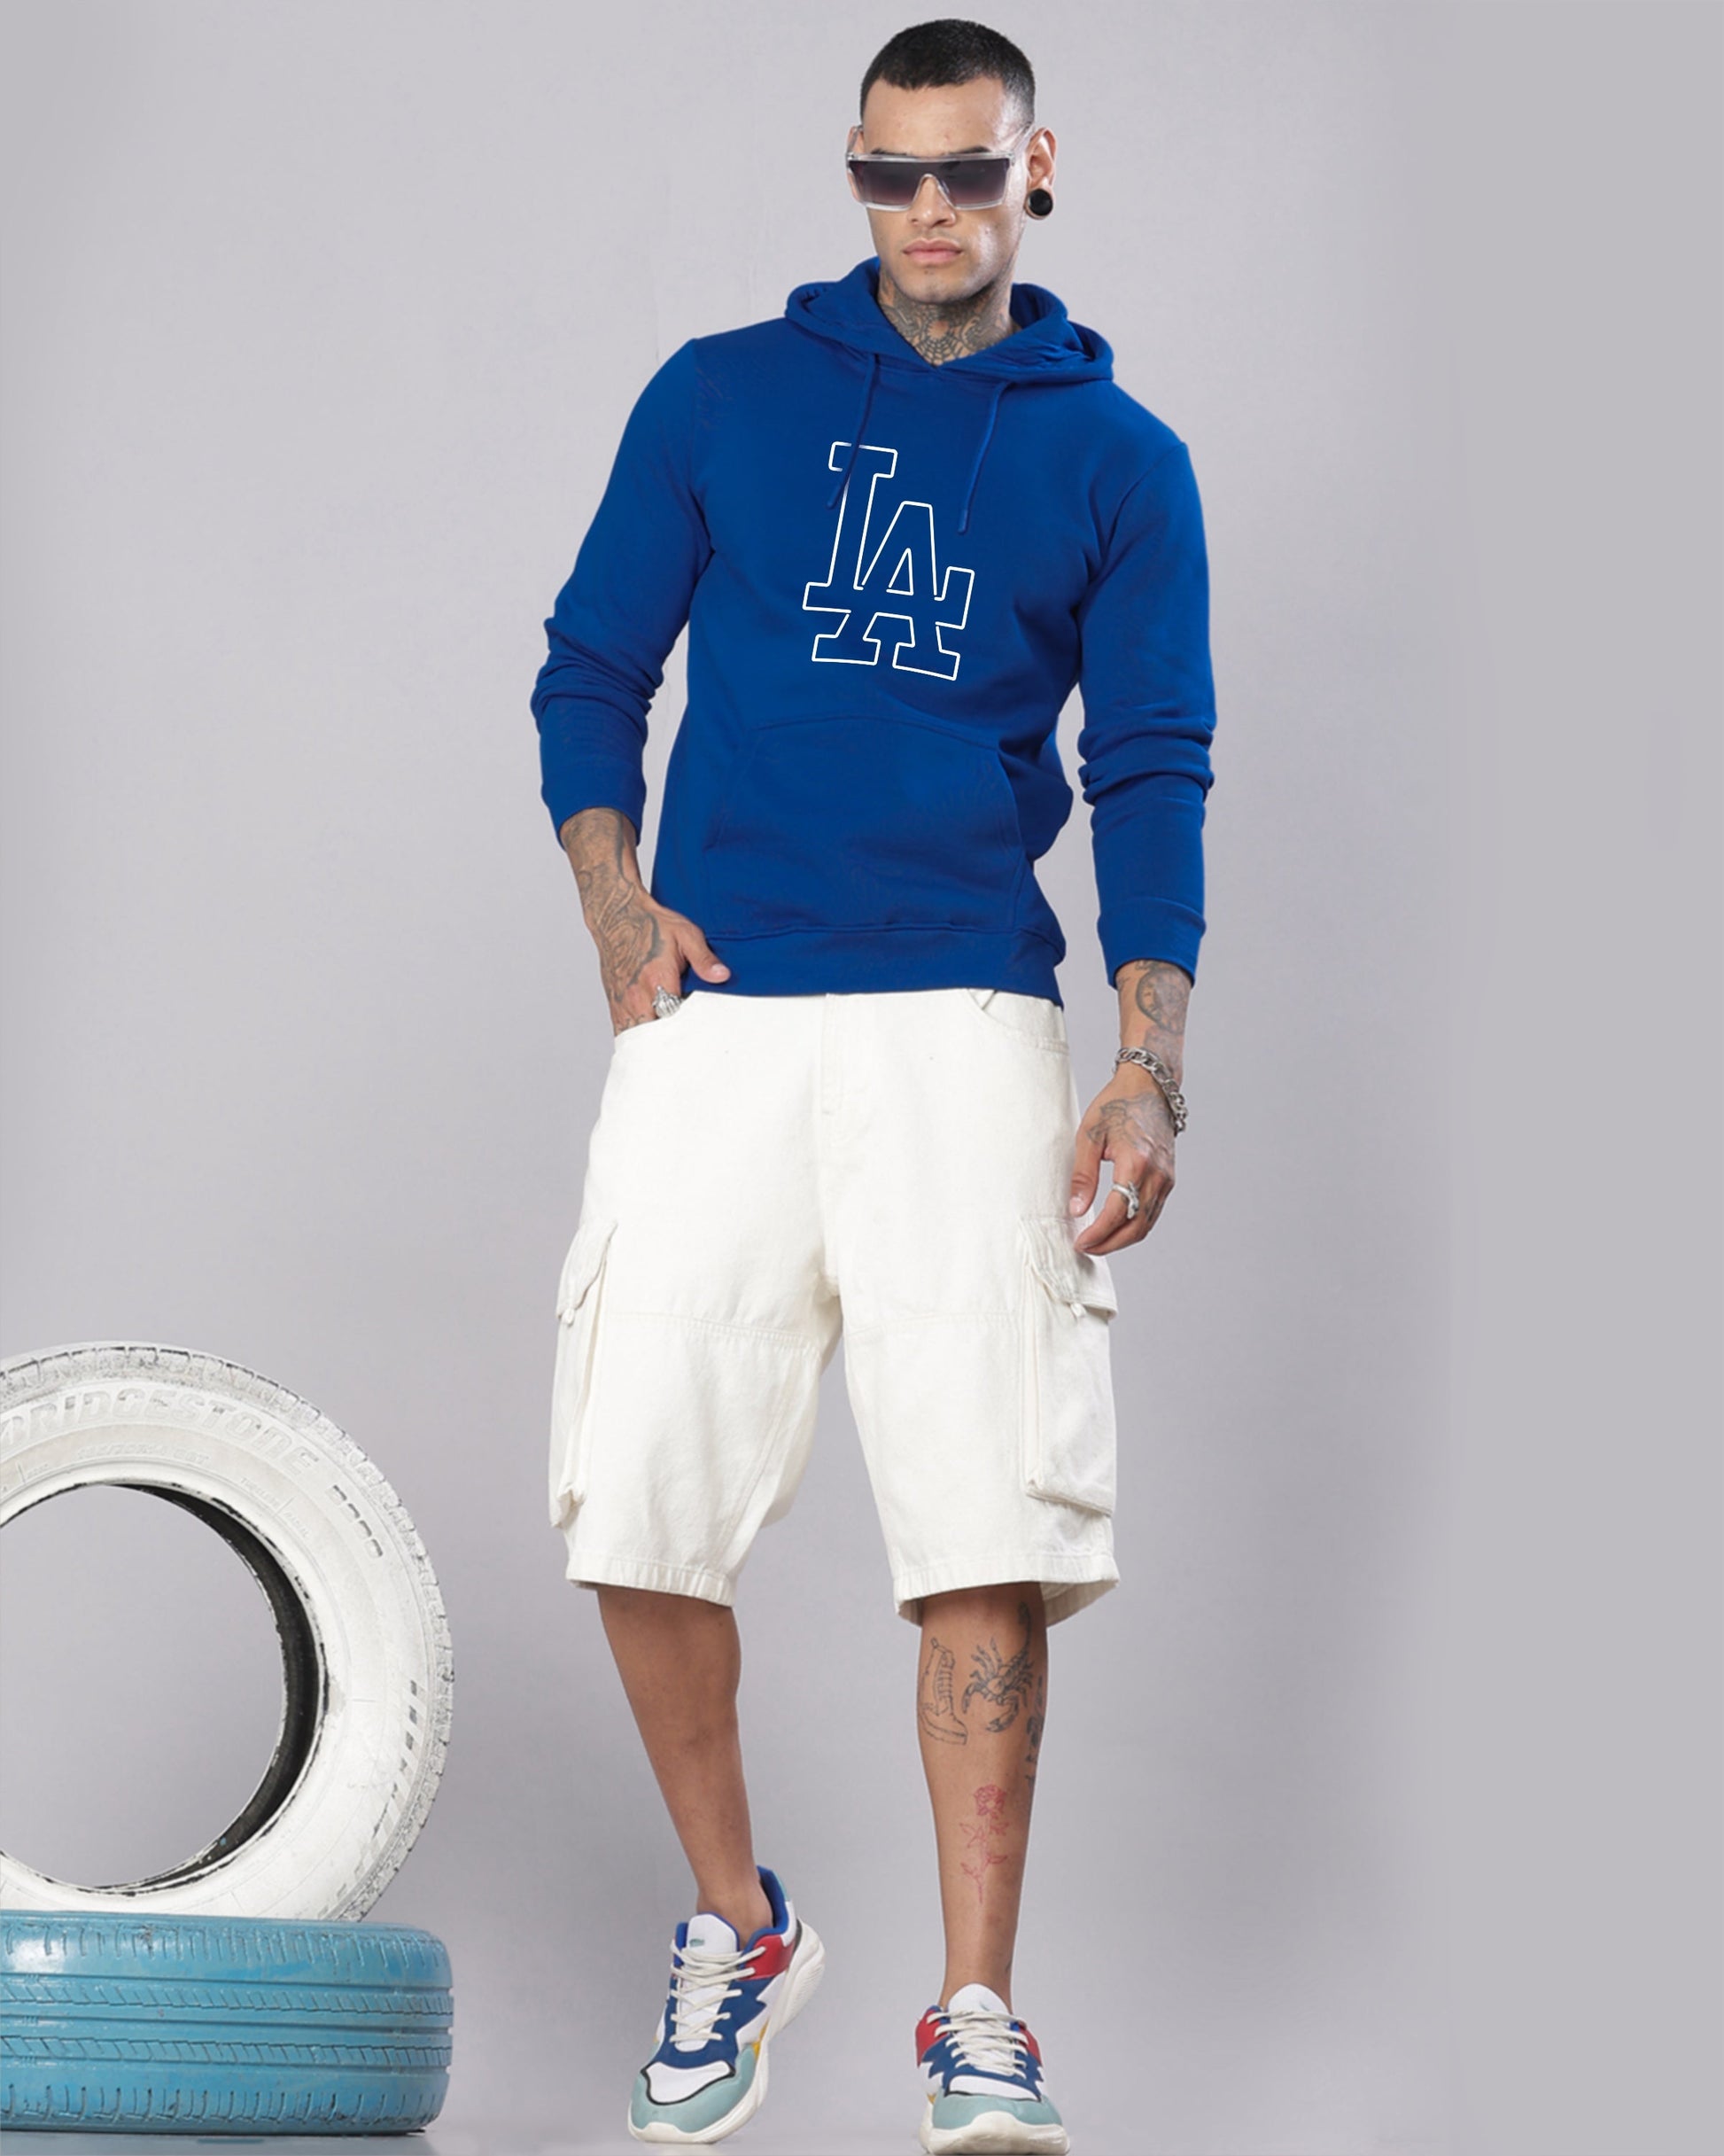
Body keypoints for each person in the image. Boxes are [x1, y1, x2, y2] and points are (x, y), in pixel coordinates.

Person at [530, 19, 1216, 2151]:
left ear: (1036, 170)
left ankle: (978, 2009)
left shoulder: (1120, 459)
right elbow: (589, 667)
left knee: (982, 1508)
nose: (927, 209)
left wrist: (1146, 1063)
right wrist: (617, 909)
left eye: (966, 172)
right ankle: (738, 1924)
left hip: (966, 1023)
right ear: (853, 171)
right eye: (889, 173)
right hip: (723, 1019)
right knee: (638, 1478)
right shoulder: (720, 394)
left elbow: (1151, 766)